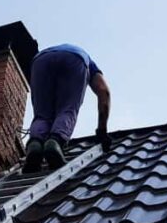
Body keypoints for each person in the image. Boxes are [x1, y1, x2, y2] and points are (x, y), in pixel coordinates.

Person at [23, 43, 111, 172]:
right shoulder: (90, 64)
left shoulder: (53, 51)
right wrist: (102, 130)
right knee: (67, 108)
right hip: (75, 59)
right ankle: (54, 142)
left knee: (42, 114)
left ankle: (35, 146)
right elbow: (104, 91)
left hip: (40, 60)